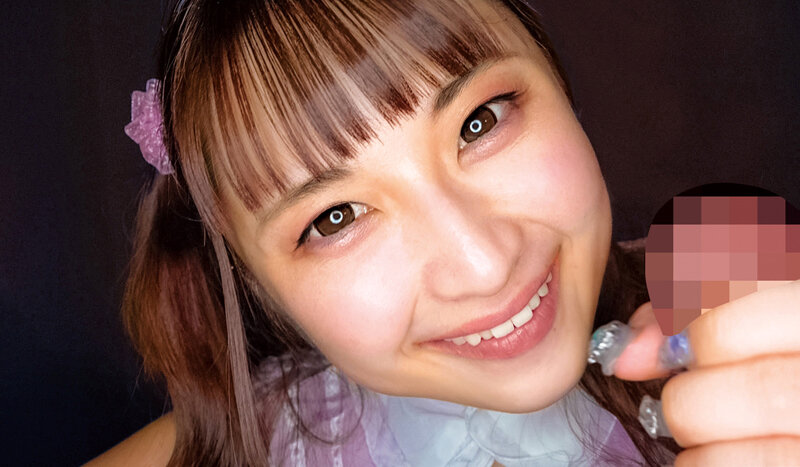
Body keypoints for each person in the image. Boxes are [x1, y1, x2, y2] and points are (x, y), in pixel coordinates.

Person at [88, 0, 800, 465]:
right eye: (336, 218)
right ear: (255, 281)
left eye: (479, 122)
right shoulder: (238, 445)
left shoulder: (742, 299)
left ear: (557, 81)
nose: (485, 265)